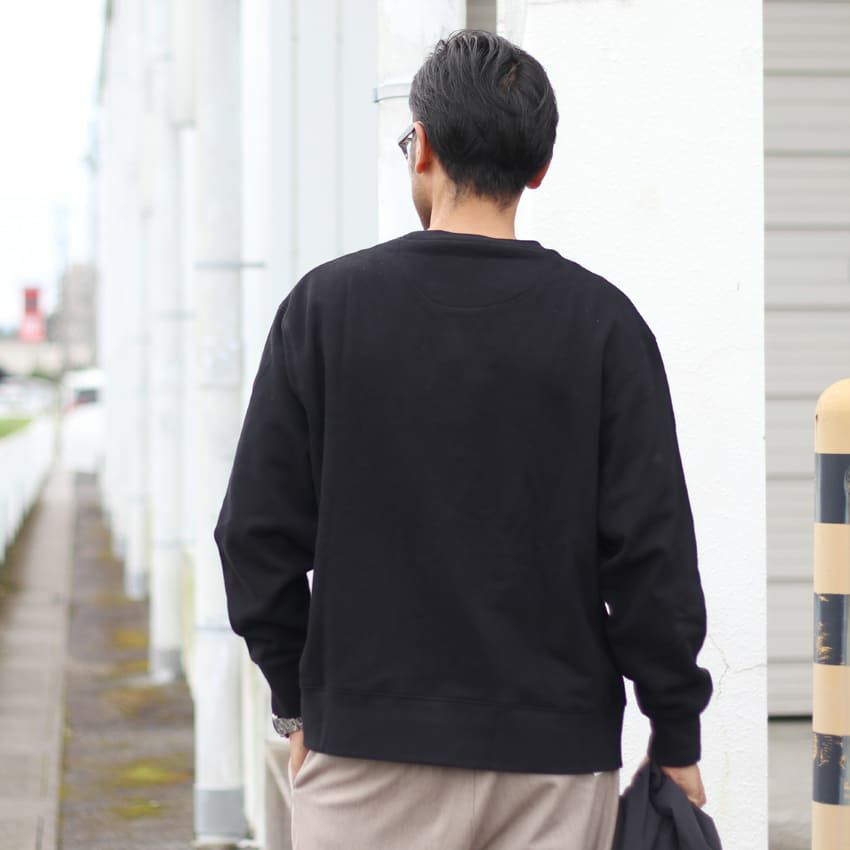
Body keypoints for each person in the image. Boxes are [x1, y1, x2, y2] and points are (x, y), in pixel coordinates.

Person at [214, 28, 712, 850]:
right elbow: (652, 557)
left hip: (366, 754)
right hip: (556, 761)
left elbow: (253, 537)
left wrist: (297, 702)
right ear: (539, 168)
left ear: (424, 149)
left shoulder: (325, 311)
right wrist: (676, 730)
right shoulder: (604, 326)